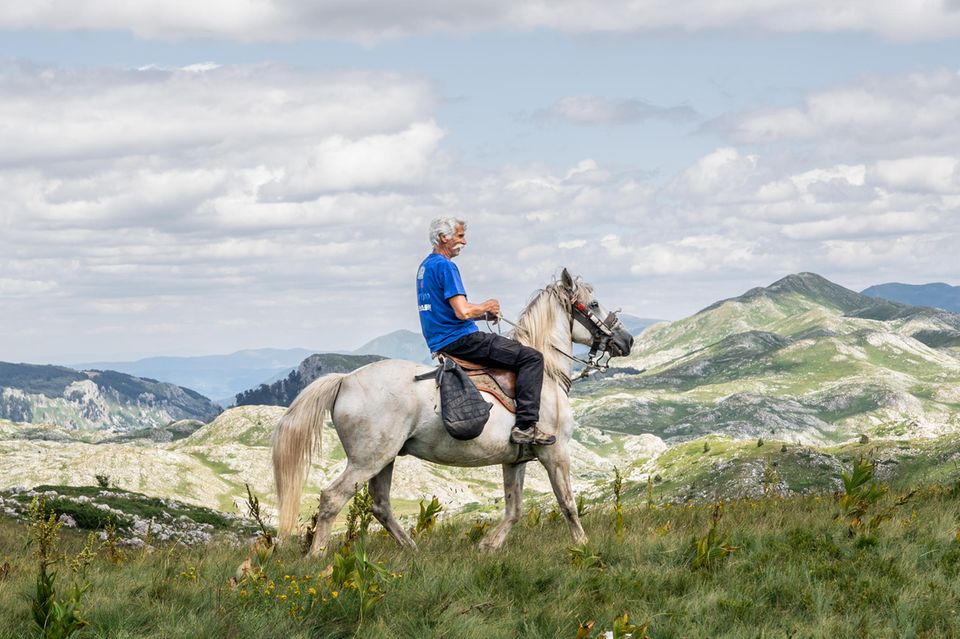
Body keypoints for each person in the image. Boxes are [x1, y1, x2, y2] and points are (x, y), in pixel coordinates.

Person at [416, 217, 555, 446]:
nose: (465, 242)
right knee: (531, 358)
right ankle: (526, 427)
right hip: (461, 339)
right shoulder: (446, 266)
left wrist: (481, 315)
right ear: (444, 237)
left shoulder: (426, 266)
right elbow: (462, 312)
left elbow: (446, 310)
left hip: (440, 340)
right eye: (460, 236)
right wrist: (486, 307)